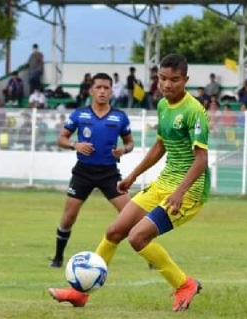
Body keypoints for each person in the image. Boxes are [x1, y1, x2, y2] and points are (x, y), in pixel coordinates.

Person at [48, 54, 209, 312]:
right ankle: (81, 294)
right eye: (163, 79)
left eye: (174, 80)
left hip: (188, 191)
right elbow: (160, 146)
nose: (167, 85)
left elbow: (201, 160)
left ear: (185, 80)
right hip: (162, 184)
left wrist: (180, 192)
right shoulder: (164, 106)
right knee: (114, 231)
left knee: (137, 238)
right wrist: (133, 176)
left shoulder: (194, 111)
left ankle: (184, 284)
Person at [48, 73, 134, 268]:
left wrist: (124, 150)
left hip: (109, 173)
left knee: (130, 215)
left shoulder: (119, 117)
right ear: (91, 90)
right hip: (83, 172)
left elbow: (130, 143)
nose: (102, 91)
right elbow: (61, 138)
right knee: (69, 217)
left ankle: (151, 257)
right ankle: (58, 256)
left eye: (106, 88)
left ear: (111, 91)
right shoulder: (80, 114)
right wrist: (74, 145)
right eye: (99, 87)